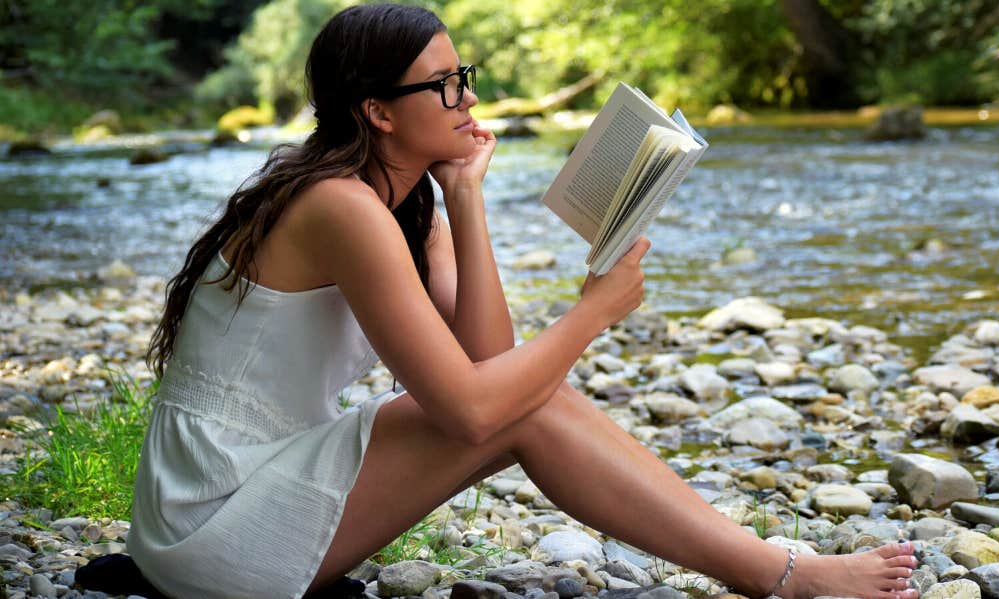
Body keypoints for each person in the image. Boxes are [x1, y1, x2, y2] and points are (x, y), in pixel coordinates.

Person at [126, 4, 919, 599]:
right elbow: (474, 411)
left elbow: (488, 363)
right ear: (379, 113)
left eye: (462, 75)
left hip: (256, 483)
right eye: (443, 85)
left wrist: (465, 200)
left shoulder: (403, 202)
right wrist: (591, 314)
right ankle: (781, 575)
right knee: (527, 405)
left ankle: (771, 566)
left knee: (530, 396)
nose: (467, 96)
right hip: (211, 515)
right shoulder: (338, 205)